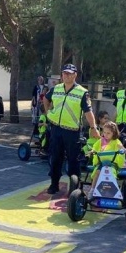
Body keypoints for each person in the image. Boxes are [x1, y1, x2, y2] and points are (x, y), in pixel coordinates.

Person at [43, 64, 100, 194]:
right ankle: (54, 184)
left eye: (69, 73)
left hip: (72, 131)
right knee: (55, 158)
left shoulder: (82, 92)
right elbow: (45, 99)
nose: (66, 76)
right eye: (64, 73)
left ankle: (74, 188)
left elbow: (88, 111)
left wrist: (93, 127)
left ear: (75, 75)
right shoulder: (56, 88)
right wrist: (48, 113)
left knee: (73, 160)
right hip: (56, 129)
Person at [88, 121, 126, 198]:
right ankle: (92, 189)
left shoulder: (116, 142)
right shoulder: (100, 141)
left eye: (108, 133)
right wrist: (92, 152)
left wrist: (123, 150)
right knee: (97, 172)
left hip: (112, 164)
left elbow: (122, 148)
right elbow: (95, 148)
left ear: (114, 133)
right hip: (101, 163)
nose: (105, 135)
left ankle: (114, 190)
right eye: (104, 132)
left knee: (111, 175)